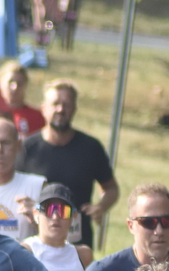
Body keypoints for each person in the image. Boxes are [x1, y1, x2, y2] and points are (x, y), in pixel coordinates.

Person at [14, 79, 117, 246]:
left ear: (75, 109)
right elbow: (13, 189)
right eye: (55, 104)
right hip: (36, 241)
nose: (60, 109)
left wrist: (101, 206)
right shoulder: (27, 148)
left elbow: (111, 188)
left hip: (78, 242)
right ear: (43, 108)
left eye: (66, 105)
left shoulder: (90, 147)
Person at [0, 116, 36, 241]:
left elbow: (59, 241)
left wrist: (38, 219)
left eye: (5, 143)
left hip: (23, 260)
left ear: (18, 146)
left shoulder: (37, 186)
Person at [0, 60, 43, 139]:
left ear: (26, 85)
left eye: (19, 83)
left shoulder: (37, 116)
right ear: (0, 83)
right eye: (10, 82)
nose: (15, 87)